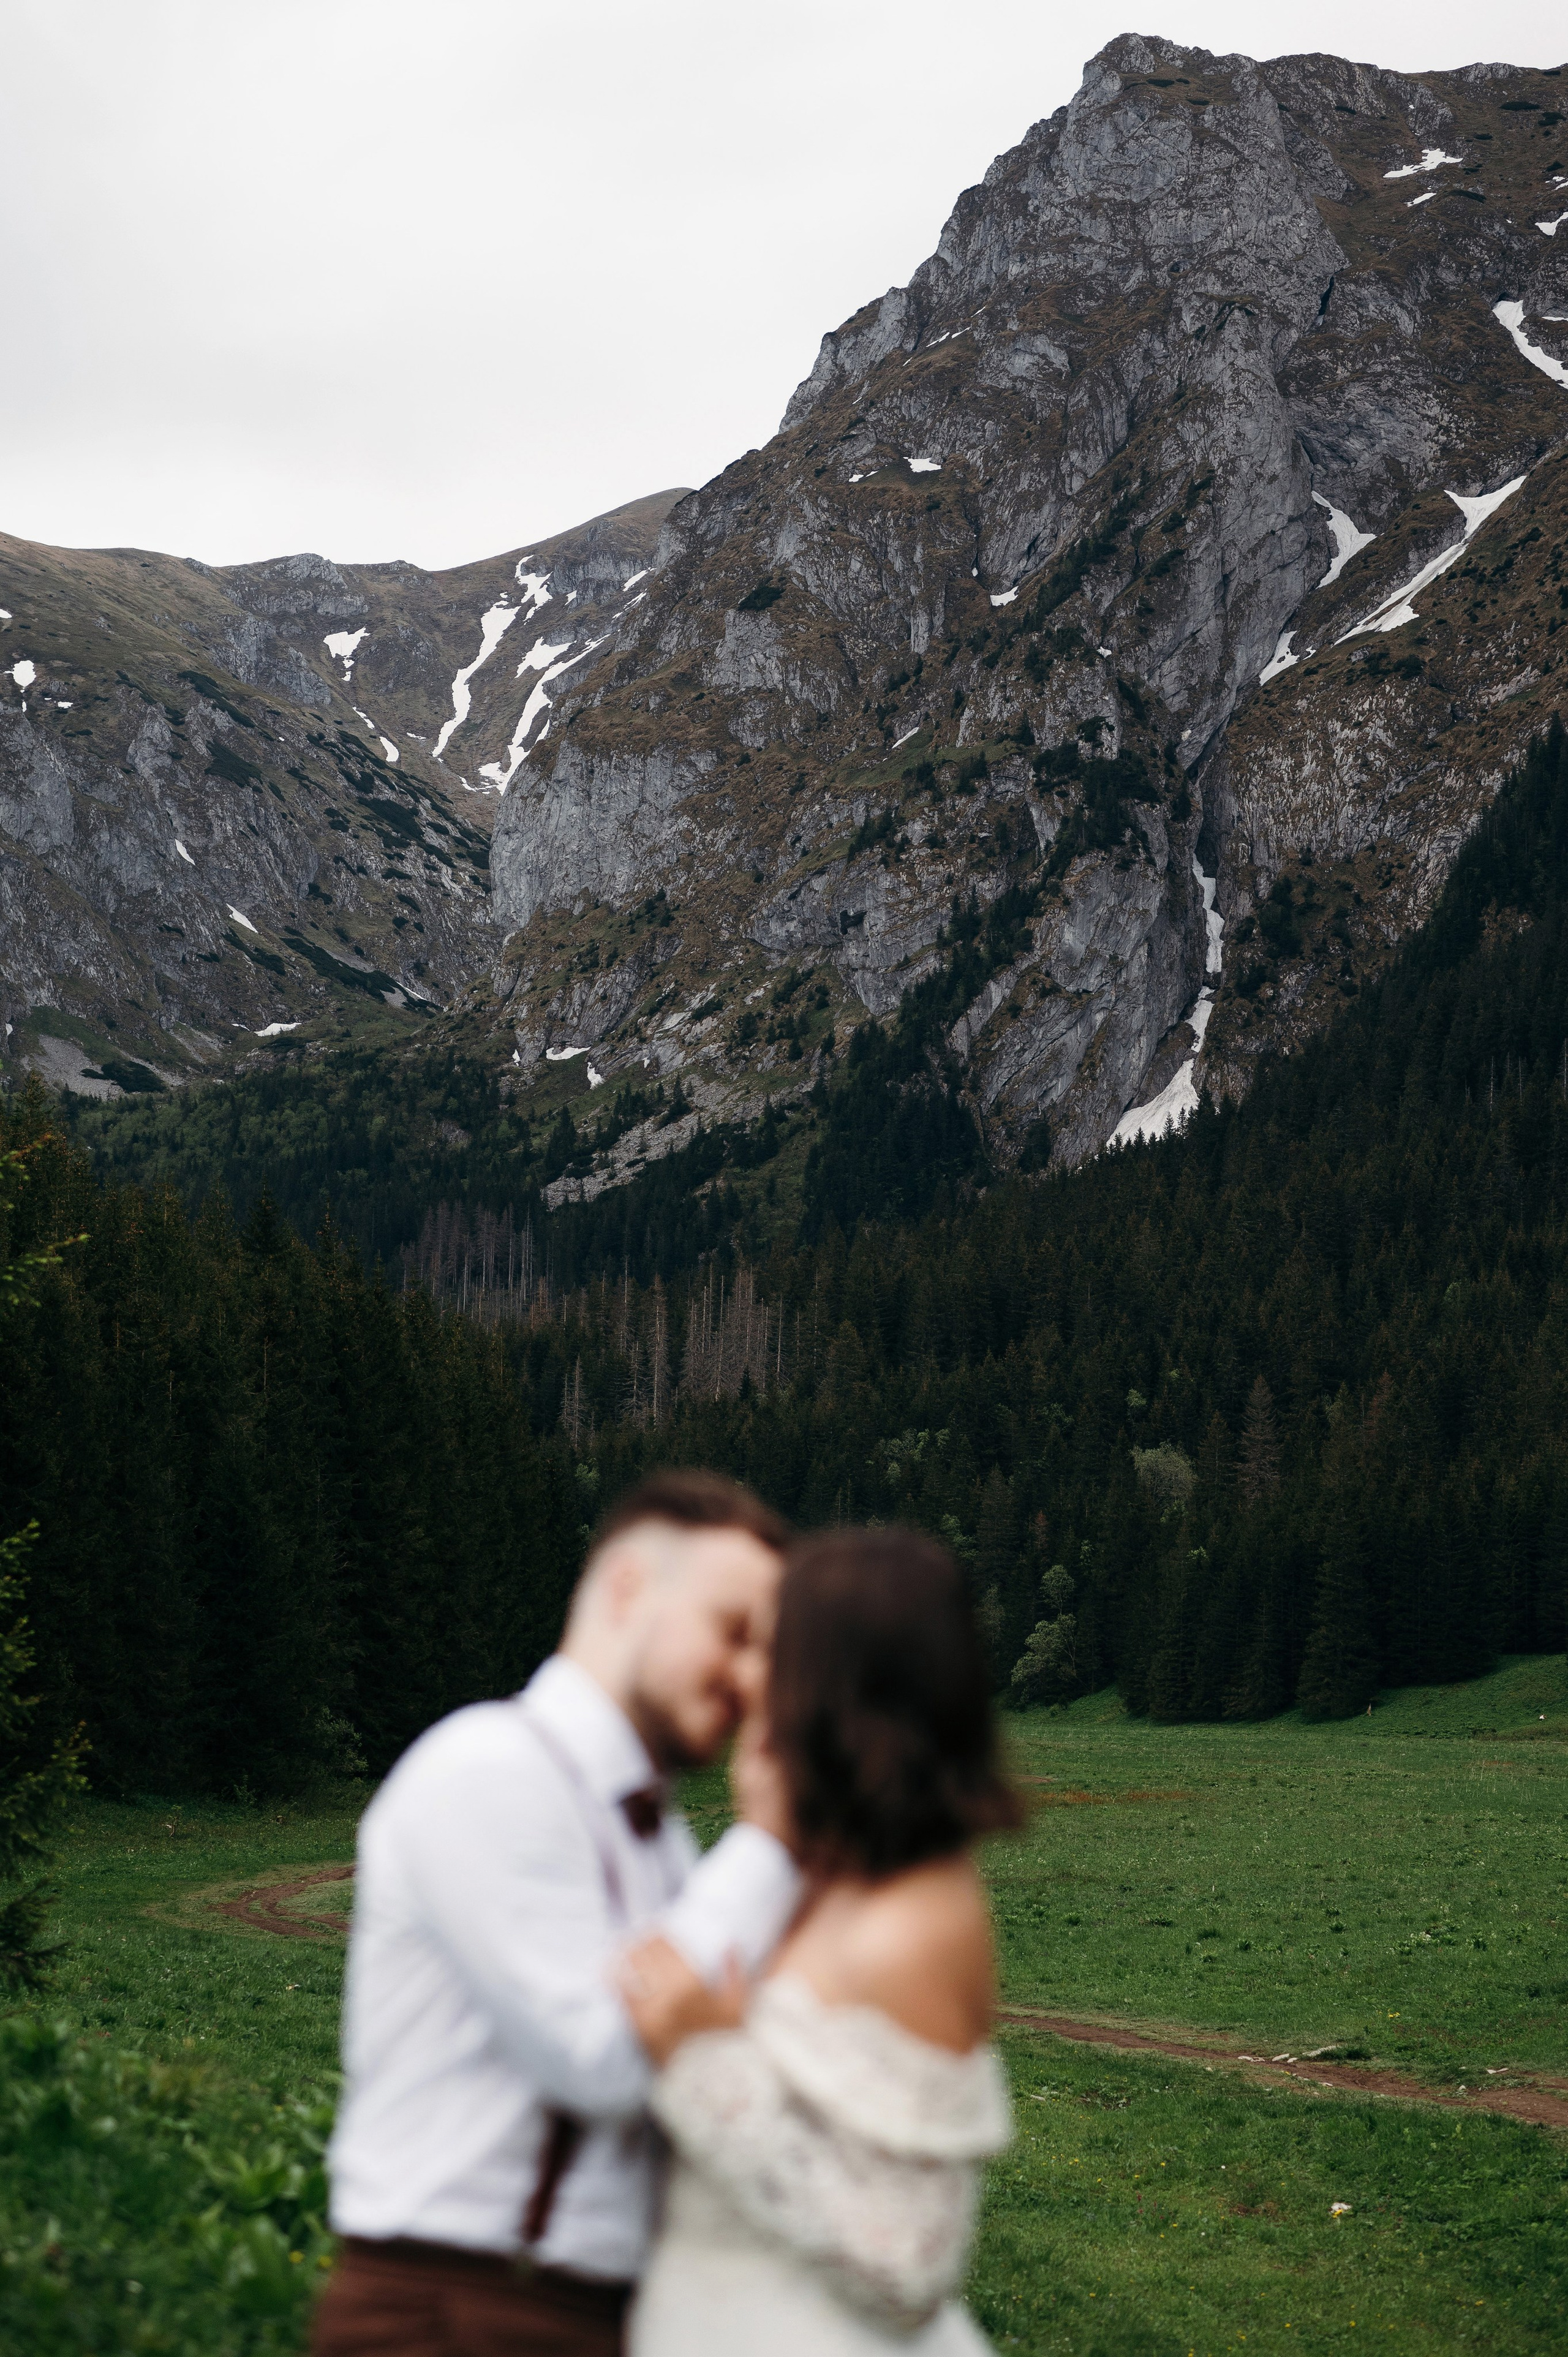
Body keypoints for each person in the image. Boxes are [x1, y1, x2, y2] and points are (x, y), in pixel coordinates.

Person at [314, 1468, 803, 2357]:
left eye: (767, 1653)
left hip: (588, 2315)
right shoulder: (488, 1770)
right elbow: (602, 2057)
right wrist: (770, 1842)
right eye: (734, 1633)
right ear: (627, 1588)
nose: (751, 1679)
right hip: (456, 2312)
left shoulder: (665, 1840)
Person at [617, 1525, 1020, 2357]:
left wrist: (703, 2066)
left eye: (764, 1648)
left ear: (830, 1682)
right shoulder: (814, 1869)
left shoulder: (919, 1921)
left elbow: (911, 2262)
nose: (738, 1674)